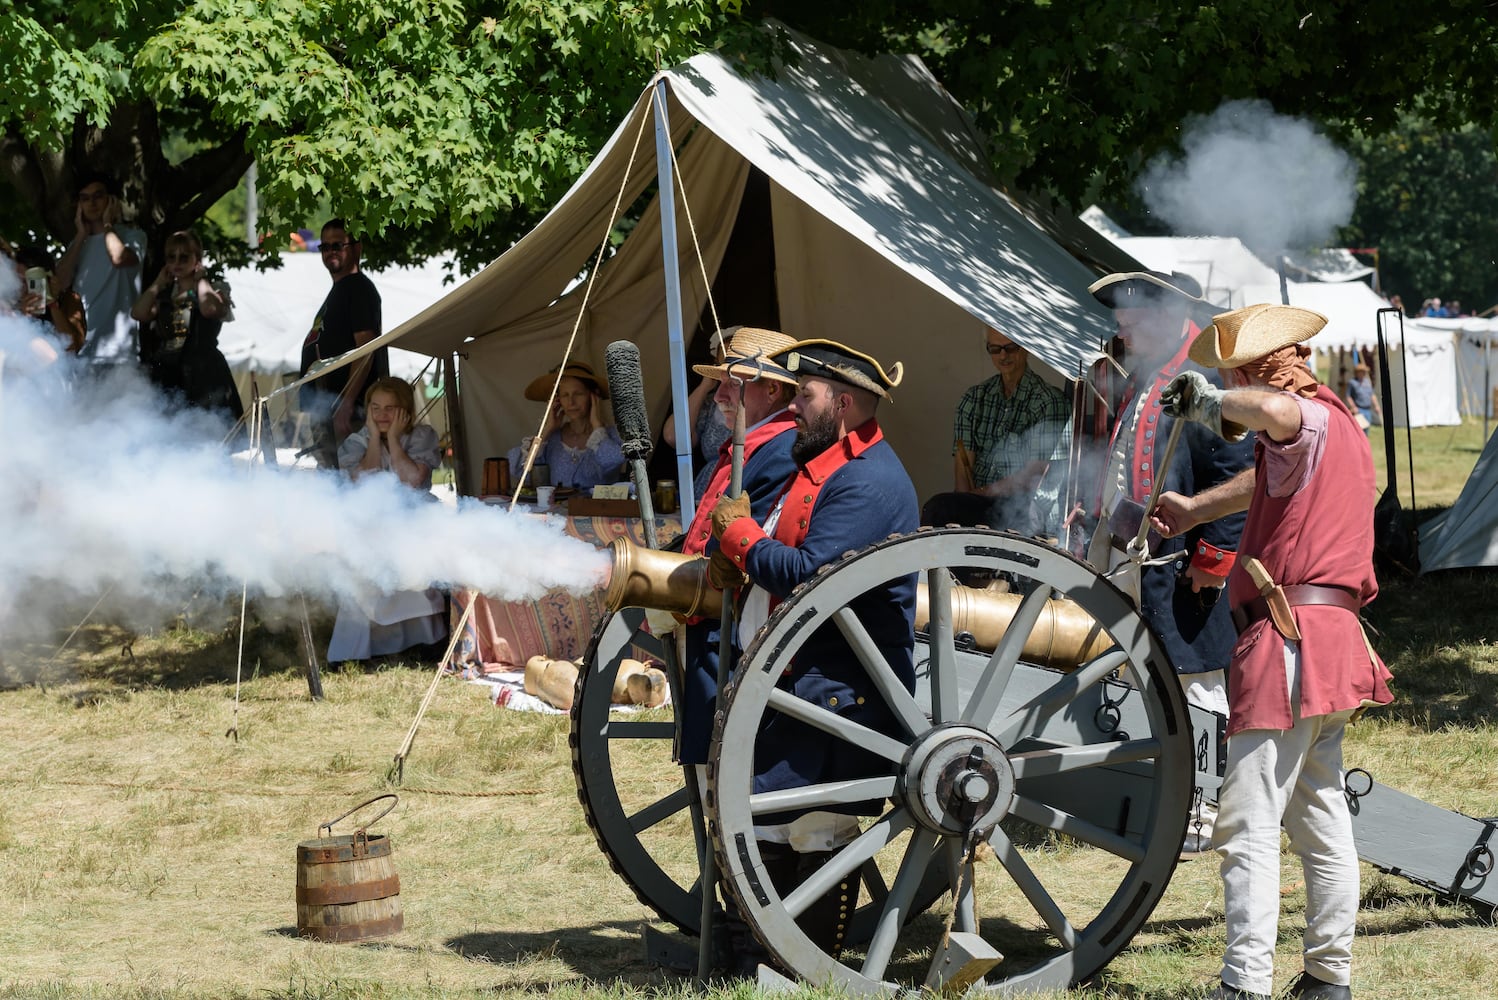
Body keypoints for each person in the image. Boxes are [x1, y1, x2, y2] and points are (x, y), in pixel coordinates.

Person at [1149, 303, 1394, 1000]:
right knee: (1318, 817)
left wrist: (1213, 401)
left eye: (1230, 373)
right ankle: (1327, 979)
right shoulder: (1340, 427)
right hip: (1327, 638)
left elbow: (1278, 415)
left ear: (1258, 369)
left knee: (1248, 819)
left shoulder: (1304, 416)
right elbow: (1265, 476)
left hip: (1289, 637)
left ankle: (1244, 985)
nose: (1226, 385)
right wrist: (1197, 511)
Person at [709, 338, 918, 966]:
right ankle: (756, 954)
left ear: (845, 403)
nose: (796, 407)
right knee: (769, 822)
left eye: (806, 395)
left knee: (816, 828)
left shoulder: (867, 484)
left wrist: (742, 541)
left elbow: (810, 579)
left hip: (834, 691)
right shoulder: (827, 465)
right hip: (794, 681)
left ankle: (802, 966)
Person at [1086, 271, 1257, 857]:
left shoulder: (1204, 381)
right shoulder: (1153, 374)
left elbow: (1234, 478)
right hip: (1146, 557)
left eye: (1132, 316)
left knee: (1196, 681)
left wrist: (1213, 559)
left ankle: (1204, 808)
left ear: (1167, 313)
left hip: (1186, 561)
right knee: (1155, 676)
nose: (1121, 326)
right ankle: (1167, 790)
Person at [677, 327, 799, 768]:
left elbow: (748, 548)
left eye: (733, 383)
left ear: (771, 388)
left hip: (737, 618)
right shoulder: (755, 445)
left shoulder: (781, 449)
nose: (718, 395)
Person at [327, 376, 448, 663]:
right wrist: (373, 438)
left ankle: (425, 639)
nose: (382, 415)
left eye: (390, 408)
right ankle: (364, 644)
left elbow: (412, 480)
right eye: (375, 407)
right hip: (373, 518)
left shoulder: (422, 436)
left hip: (412, 514)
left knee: (413, 560)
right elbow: (363, 482)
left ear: (405, 410)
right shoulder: (358, 441)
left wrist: (393, 439)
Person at [921, 325, 1070, 537]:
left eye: (1010, 348)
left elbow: (1033, 476)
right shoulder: (974, 398)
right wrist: (965, 501)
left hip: (1026, 508)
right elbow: (963, 470)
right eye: (995, 349)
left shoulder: (1048, 401)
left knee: (940, 507)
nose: (1003, 355)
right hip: (981, 504)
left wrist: (978, 495)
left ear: (1025, 348)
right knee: (939, 509)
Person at [130, 229, 243, 423]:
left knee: (209, 428)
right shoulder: (165, 295)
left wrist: (200, 279)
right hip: (168, 372)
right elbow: (138, 313)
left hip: (204, 371)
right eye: (171, 257)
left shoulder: (214, 288)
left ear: (197, 258)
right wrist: (158, 283)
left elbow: (208, 309)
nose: (176, 263)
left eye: (184, 257)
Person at [299, 219, 386, 467]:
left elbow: (365, 351)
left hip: (346, 411)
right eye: (324, 247)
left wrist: (346, 405)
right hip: (327, 407)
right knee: (333, 484)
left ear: (357, 248)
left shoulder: (357, 288)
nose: (330, 252)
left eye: (337, 245)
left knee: (348, 484)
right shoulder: (341, 289)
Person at [52, 172, 145, 366]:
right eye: (84, 198)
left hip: (119, 353)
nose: (92, 203)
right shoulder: (77, 245)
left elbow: (118, 258)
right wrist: (80, 236)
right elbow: (58, 284)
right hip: (81, 353)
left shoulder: (133, 236)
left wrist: (108, 224)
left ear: (112, 200)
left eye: (98, 196)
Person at [506, 360, 625, 491]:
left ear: (593, 396)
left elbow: (612, 460)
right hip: (555, 511)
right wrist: (547, 429)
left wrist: (597, 425)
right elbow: (522, 471)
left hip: (598, 510)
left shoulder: (610, 437)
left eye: (578, 394)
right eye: (565, 395)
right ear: (558, 400)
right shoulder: (551, 440)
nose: (571, 402)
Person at [6, 244, 85, 354]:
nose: (21, 287)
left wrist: (53, 304)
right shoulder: (9, 307)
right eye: (18, 279)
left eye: (28, 281)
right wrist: (23, 318)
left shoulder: (68, 300)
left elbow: (72, 348)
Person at [1343, 362, 1380, 433]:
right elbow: (1348, 396)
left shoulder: (1367, 382)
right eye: (1361, 371)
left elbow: (1372, 394)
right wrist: (1353, 407)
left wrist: (1376, 406)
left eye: (1364, 372)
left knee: (1367, 429)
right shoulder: (1352, 382)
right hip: (1359, 409)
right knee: (1359, 429)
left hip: (1368, 409)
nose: (1363, 373)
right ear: (1357, 372)